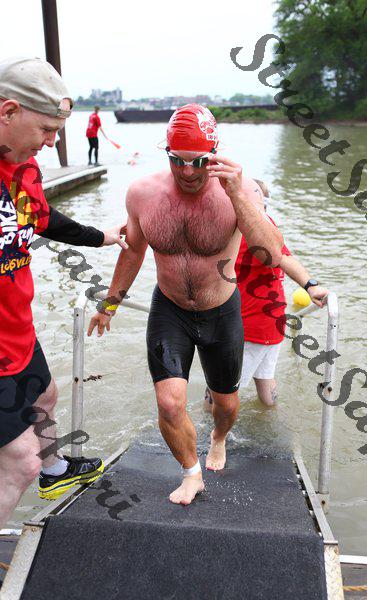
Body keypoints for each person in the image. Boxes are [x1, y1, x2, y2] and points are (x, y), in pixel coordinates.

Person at [88, 104, 283, 506]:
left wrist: (237, 195)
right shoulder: (143, 193)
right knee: (169, 402)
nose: (188, 171)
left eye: (198, 161)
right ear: (166, 153)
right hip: (170, 309)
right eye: (177, 160)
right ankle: (191, 473)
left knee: (225, 404)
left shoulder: (240, 190)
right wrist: (109, 304)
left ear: (214, 153)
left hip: (221, 311)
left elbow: (271, 256)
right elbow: (133, 252)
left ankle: (219, 437)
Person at [0, 57, 128, 529]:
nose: (53, 142)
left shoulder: (23, 165)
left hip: (16, 328)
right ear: (9, 111)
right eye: (47, 129)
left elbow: (42, 218)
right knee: (20, 461)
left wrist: (101, 237)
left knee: (46, 396)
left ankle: (55, 472)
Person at [204, 183, 329, 408]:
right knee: (264, 380)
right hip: (273, 321)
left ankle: (208, 426)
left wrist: (310, 286)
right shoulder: (267, 225)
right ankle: (271, 418)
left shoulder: (244, 231)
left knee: (219, 391)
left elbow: (282, 259)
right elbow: (285, 257)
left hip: (248, 326)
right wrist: (310, 285)